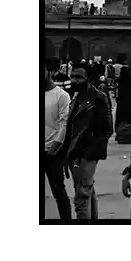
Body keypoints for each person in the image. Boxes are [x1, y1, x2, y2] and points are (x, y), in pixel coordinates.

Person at [60, 62, 113, 220]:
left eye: (79, 77)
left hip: (88, 153)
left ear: (88, 78)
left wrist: (88, 156)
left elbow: (106, 130)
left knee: (82, 196)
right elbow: (71, 129)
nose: (74, 80)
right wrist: (66, 153)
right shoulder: (75, 98)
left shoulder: (98, 98)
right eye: (72, 76)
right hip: (75, 152)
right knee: (86, 190)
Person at [44, 66, 72, 220]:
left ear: (48, 72)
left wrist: (55, 146)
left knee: (58, 191)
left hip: (52, 152)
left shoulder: (62, 96)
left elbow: (64, 124)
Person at [115, 65, 131, 129]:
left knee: (121, 124)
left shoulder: (119, 81)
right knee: (130, 124)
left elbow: (117, 95)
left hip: (122, 106)